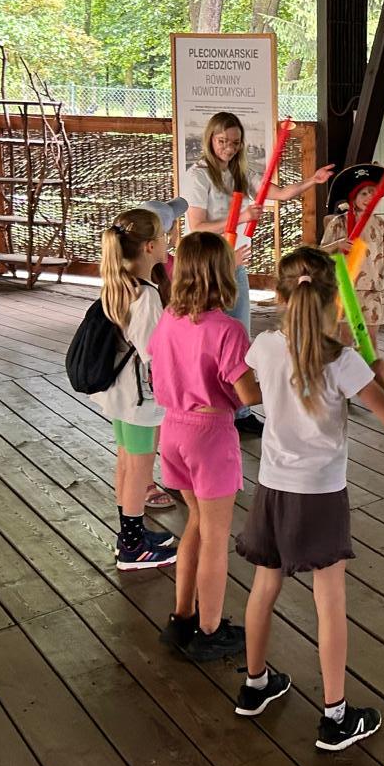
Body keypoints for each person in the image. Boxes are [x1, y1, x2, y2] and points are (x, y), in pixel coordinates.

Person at [234, 247, 384, 750]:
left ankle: (255, 685)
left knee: (264, 586)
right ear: (334, 301)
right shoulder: (343, 361)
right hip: (322, 492)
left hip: (273, 485)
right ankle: (335, 717)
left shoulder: (266, 346)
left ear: (281, 296)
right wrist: (383, 381)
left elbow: (249, 393)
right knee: (329, 602)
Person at [181, 110, 332, 435]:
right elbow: (197, 226)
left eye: (235, 142)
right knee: (211, 337)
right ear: (210, 139)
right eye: (222, 141)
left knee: (239, 336)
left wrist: (312, 180)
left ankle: (240, 411)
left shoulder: (238, 172)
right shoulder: (198, 175)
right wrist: (241, 216)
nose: (229, 148)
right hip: (209, 266)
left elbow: (278, 193)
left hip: (236, 263)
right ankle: (211, 405)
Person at [148, 231, 260, 662]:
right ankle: (210, 630)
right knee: (216, 537)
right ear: (222, 274)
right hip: (210, 435)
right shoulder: (228, 330)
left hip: (173, 431)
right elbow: (248, 395)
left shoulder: (169, 319)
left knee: (196, 522)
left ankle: (182, 617)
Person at [90, 204, 181, 571]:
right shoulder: (146, 296)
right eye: (163, 236)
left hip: (119, 392)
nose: (167, 242)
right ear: (149, 247)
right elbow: (153, 352)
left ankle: (132, 533)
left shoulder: (118, 283)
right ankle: (132, 546)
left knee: (127, 461)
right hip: (141, 398)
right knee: (141, 470)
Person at [321, 163, 384, 332]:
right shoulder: (338, 223)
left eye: (373, 192)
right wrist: (338, 244)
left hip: (374, 288)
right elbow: (320, 252)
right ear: (353, 197)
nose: (369, 197)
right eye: (363, 193)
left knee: (371, 339)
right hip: (345, 288)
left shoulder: (381, 225)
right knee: (346, 338)